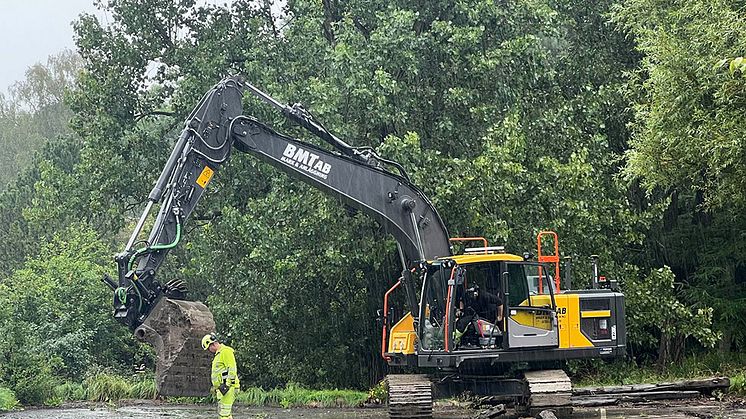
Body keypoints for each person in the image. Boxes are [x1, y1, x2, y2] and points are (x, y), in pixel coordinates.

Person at [202, 333, 240, 419]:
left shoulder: (225, 352)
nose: (209, 350)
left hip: (228, 388)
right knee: (225, 414)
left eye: (208, 348)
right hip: (222, 389)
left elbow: (232, 369)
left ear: (212, 344)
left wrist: (227, 385)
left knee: (224, 415)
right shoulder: (218, 354)